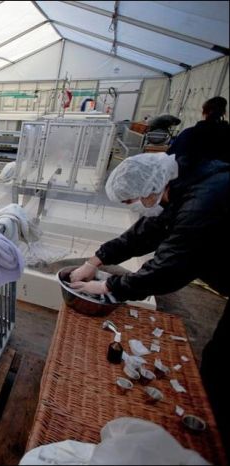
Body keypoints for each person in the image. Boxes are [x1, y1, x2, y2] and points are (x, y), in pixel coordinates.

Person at [68, 152, 229, 451]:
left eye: (132, 201)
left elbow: (168, 269)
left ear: (150, 189)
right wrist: (95, 260)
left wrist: (107, 285)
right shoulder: (183, 187)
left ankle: (211, 442)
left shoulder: (202, 203)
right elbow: (144, 234)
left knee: (220, 363)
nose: (134, 208)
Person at [167, 96, 229, 164]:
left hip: (196, 171)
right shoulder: (225, 133)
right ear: (223, 113)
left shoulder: (190, 133)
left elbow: (172, 156)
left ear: (205, 112)